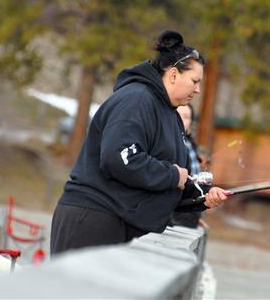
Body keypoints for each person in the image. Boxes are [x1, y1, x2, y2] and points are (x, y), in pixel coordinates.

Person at [50, 30, 230, 255]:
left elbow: (169, 178)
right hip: (94, 218)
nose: (198, 90)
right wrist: (173, 175)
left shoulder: (171, 116)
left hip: (122, 224)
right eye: (195, 81)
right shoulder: (136, 99)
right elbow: (120, 157)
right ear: (173, 75)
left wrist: (202, 197)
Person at [170, 104, 206, 228]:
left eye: (186, 117)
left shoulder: (191, 145)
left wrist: (196, 216)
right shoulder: (170, 143)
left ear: (191, 122)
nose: (182, 120)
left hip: (189, 214)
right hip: (174, 217)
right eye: (179, 116)